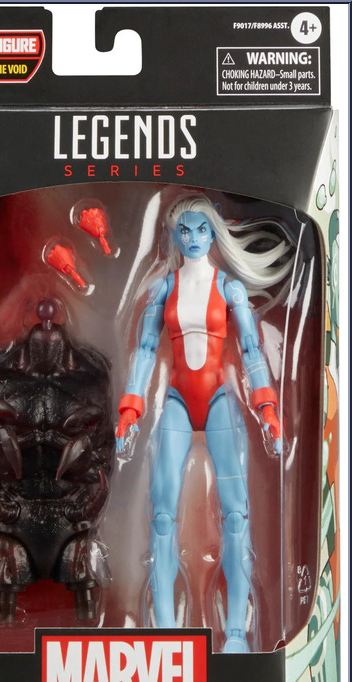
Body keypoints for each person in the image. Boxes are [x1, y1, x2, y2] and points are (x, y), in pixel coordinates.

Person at [116, 194, 293, 652]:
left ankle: (235, 632)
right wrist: (130, 408)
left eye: (201, 230)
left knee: (235, 515)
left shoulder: (230, 289)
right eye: (185, 230)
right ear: (174, 235)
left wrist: (268, 409)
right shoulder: (164, 287)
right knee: (161, 516)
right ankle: (165, 631)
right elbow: (145, 350)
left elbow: (252, 352)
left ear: (214, 234)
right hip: (177, 400)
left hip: (218, 401)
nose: (193, 238)